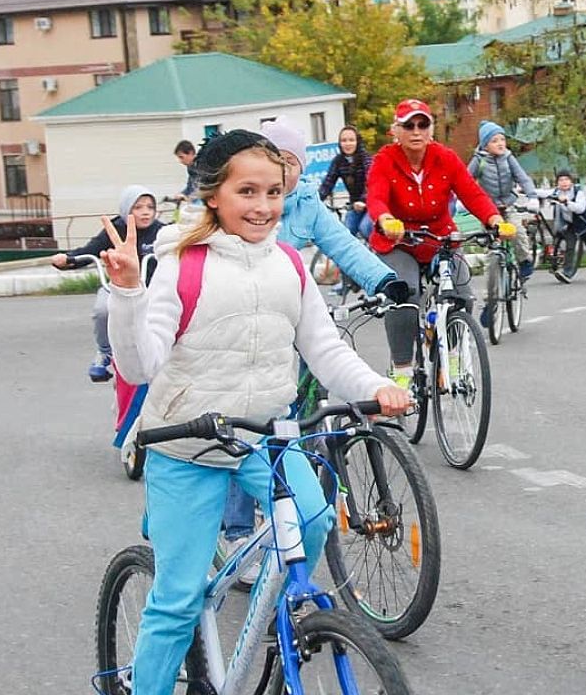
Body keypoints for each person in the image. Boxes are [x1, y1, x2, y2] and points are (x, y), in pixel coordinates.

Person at [102, 129, 411, 695]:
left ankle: (278, 623)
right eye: (248, 191)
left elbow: (324, 348)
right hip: (186, 443)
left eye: (273, 192)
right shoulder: (181, 261)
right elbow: (142, 365)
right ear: (212, 195)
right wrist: (127, 294)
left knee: (314, 519)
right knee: (177, 599)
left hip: (268, 436)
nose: (264, 206)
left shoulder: (288, 264)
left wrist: (376, 387)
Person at [215, 117, 403, 582]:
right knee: (249, 424)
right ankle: (238, 530)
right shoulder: (248, 212)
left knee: (308, 406)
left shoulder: (306, 205)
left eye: (294, 164)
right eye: (279, 162)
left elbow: (343, 245)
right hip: (247, 327)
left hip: (297, 312)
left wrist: (384, 279)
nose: (286, 173)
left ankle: (298, 507)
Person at [366, 99, 514, 387]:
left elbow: (472, 194)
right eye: (408, 125)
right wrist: (385, 219)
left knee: (461, 294)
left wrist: (494, 220)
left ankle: (453, 358)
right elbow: (376, 196)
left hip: (439, 238)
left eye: (423, 124)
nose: (416, 131)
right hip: (400, 241)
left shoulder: (444, 157)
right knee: (405, 295)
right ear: (395, 130)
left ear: (431, 129)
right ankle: (403, 370)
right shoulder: (384, 160)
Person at [50, 185, 165, 381]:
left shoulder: (163, 232)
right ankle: (105, 353)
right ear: (126, 210)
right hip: (120, 287)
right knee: (103, 310)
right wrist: (67, 259)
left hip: (153, 287)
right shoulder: (114, 230)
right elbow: (89, 251)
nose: (145, 212)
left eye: (149, 207)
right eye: (138, 207)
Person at [468, 120, 549, 283]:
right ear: (485, 145)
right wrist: (462, 200)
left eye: (502, 139)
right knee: (491, 251)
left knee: (518, 233)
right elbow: (465, 181)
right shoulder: (479, 161)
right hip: (489, 210)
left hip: (508, 205)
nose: (500, 144)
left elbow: (522, 178)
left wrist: (532, 196)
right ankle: (490, 297)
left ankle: (524, 260)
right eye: (494, 141)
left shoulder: (508, 158)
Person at [550, 169, 586, 283]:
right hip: (571, 224)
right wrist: (525, 190)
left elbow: (580, 209)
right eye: (561, 180)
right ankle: (566, 273)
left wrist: (566, 202)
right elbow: (542, 193)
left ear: (571, 181)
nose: (564, 182)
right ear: (557, 183)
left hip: (584, 223)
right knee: (570, 247)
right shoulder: (556, 193)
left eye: (566, 179)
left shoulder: (578, 192)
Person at [318, 124, 373, 240]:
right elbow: (327, 184)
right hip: (355, 205)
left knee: (365, 228)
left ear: (358, 141)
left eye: (351, 140)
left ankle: (375, 255)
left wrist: (364, 201)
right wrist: (315, 201)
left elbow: (371, 182)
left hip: (372, 203)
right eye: (344, 140)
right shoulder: (338, 161)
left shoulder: (366, 159)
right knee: (346, 232)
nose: (348, 144)